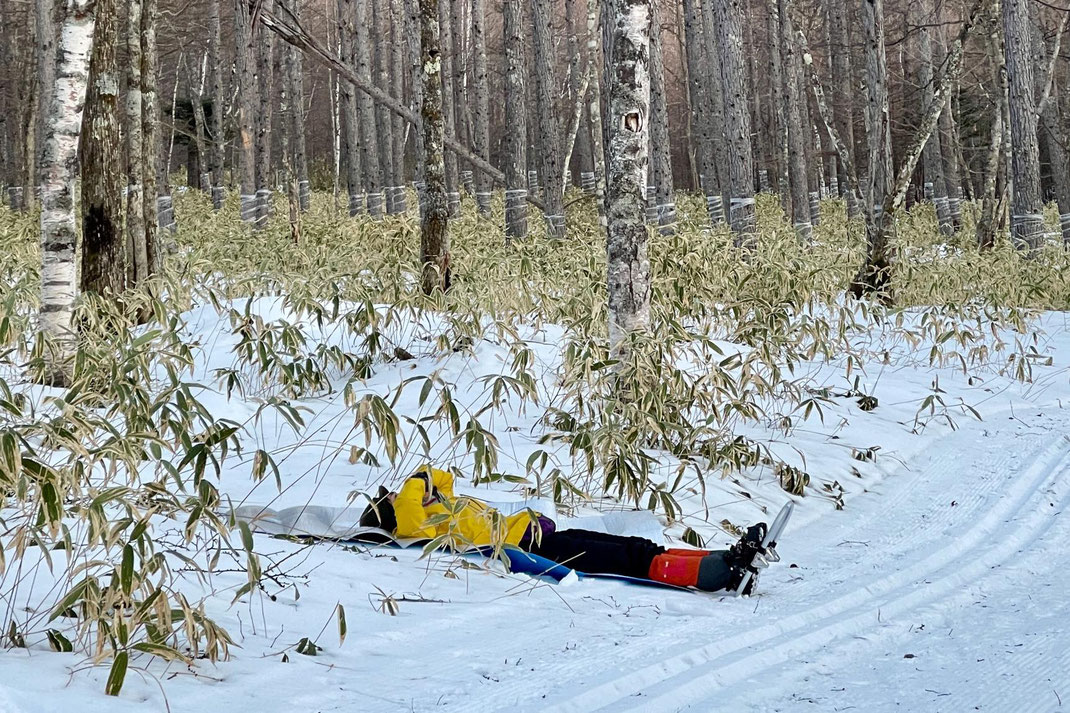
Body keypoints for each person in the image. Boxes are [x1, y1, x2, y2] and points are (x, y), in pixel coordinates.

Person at [359, 466, 769, 594]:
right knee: (624, 559)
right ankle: (717, 576)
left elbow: (440, 478)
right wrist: (413, 483)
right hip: (535, 549)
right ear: (394, 511)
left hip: (540, 535)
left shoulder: (435, 510)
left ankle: (726, 559)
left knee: (634, 544)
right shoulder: (415, 526)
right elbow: (416, 493)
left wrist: (428, 483)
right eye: (394, 496)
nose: (405, 492)